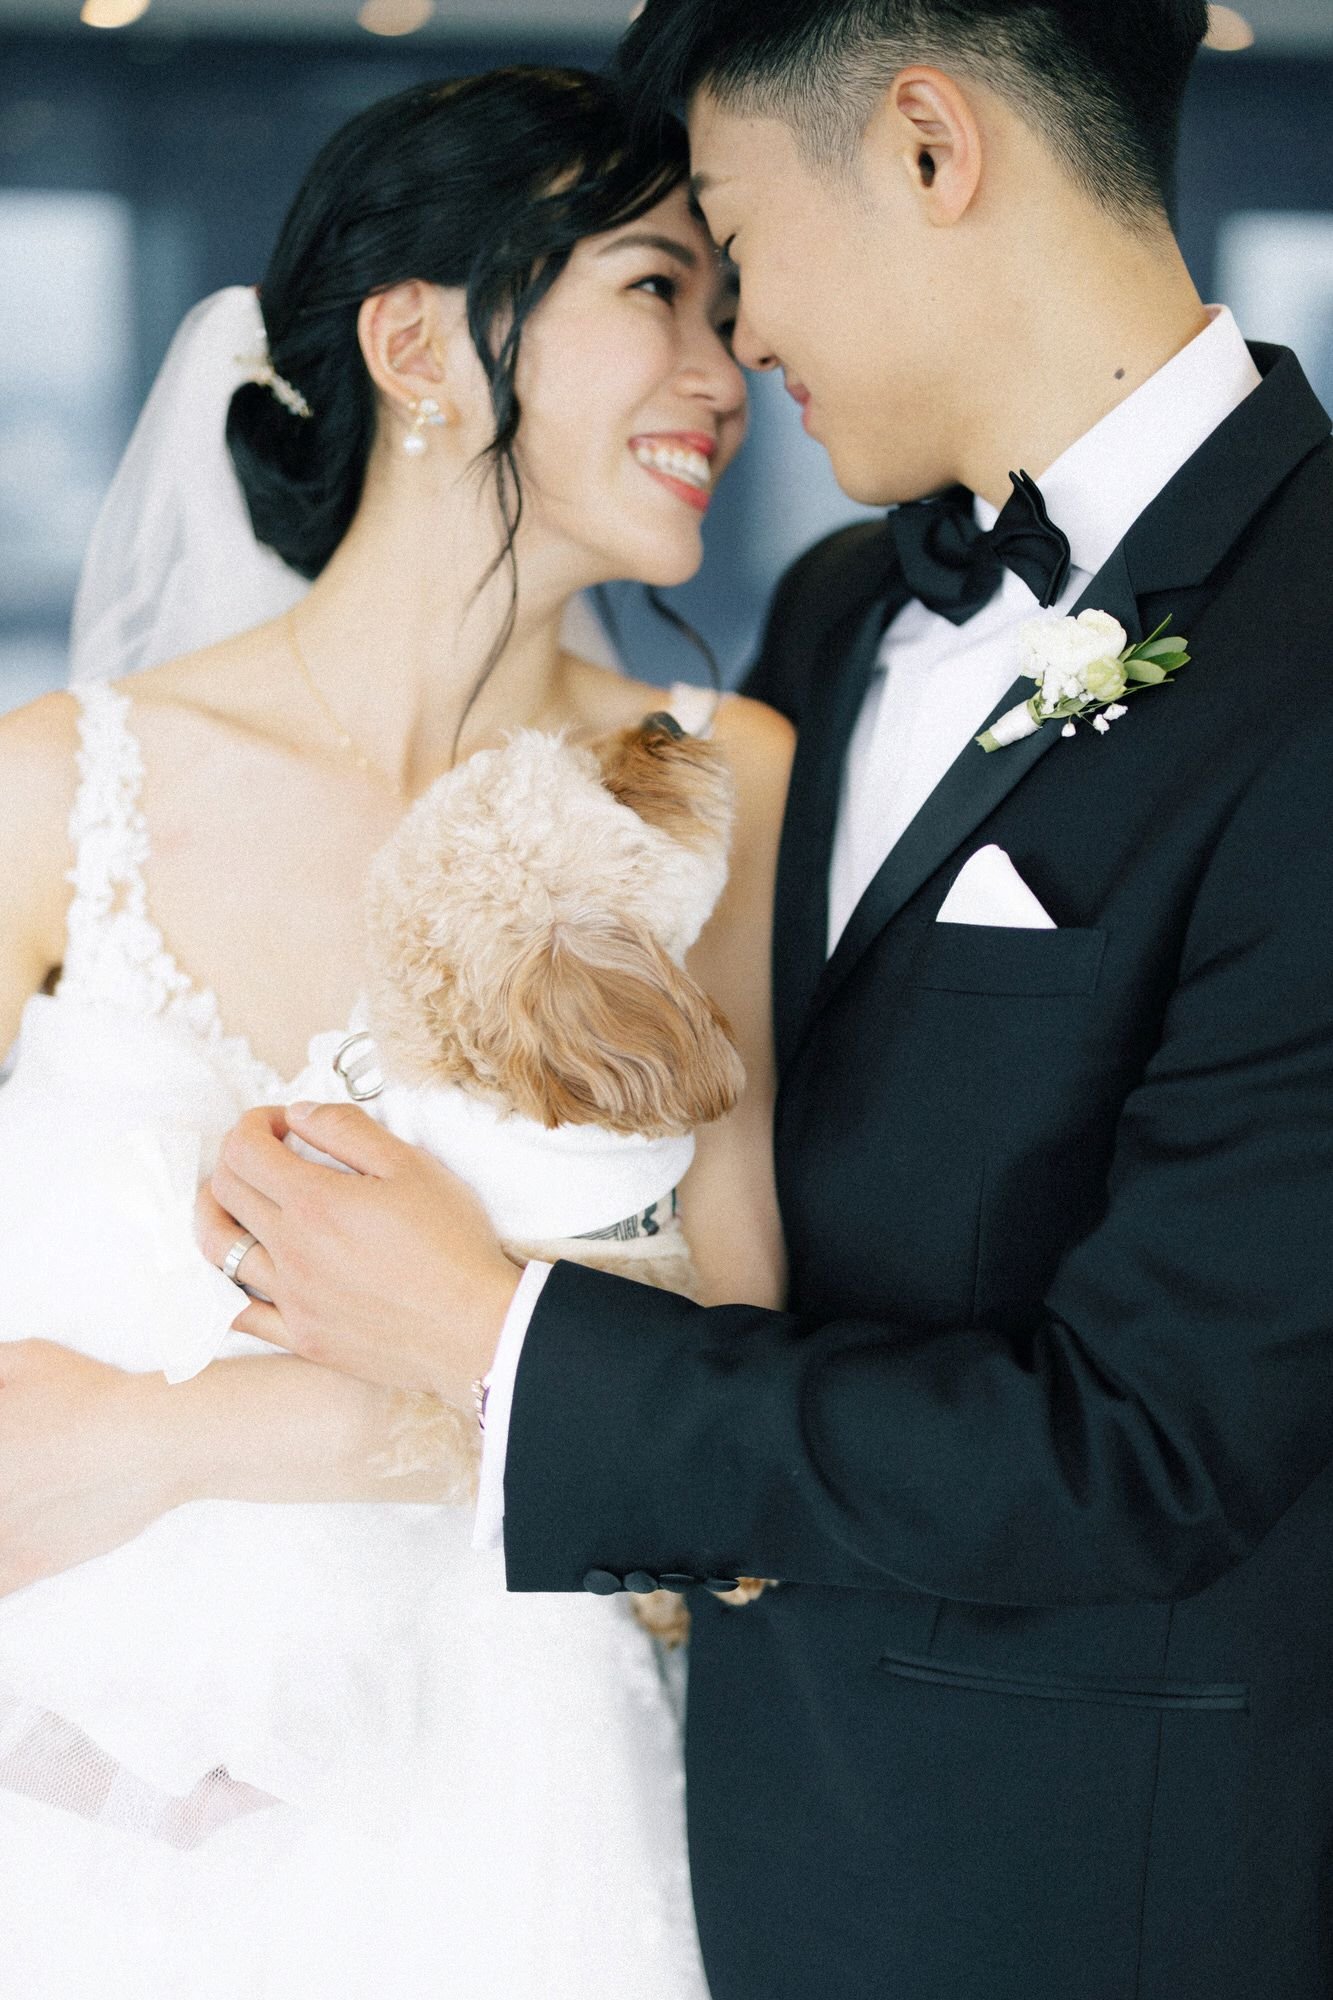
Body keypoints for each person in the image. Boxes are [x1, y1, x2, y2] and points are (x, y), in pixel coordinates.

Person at [201, 5, 1333, 1998]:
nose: (735, 351)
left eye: (733, 243)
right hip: (663, 1842)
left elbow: (1147, 1445)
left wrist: (490, 1334)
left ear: (925, 148)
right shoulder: (827, 620)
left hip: (1067, 1907)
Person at [0, 64, 795, 2000]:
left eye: (729, 300)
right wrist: (210, 1433)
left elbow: (752, 1372)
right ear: (419, 339)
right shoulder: (55, 789)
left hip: (526, 1822)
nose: (726, 364)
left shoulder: (715, 781)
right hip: (74, 1816)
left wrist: (493, 1379)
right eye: (653, 289)